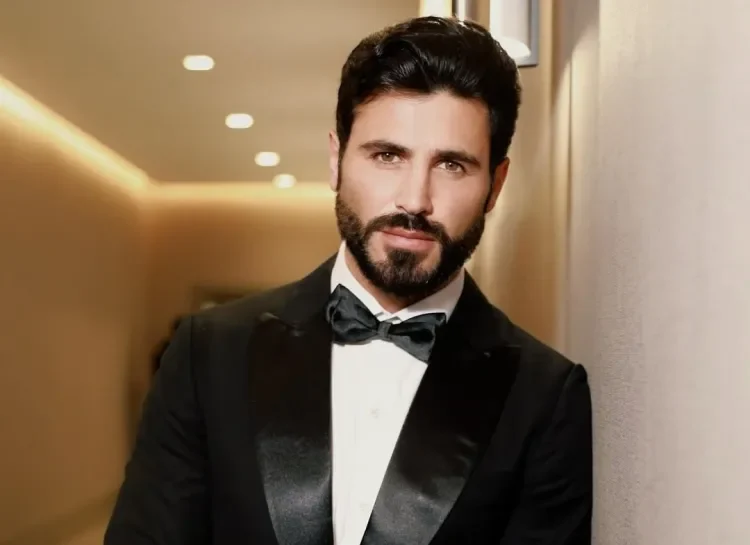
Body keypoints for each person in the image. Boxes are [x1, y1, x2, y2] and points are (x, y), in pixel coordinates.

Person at [104, 15, 592, 545]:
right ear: (337, 161)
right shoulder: (208, 353)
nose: (415, 200)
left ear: (495, 185)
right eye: (387, 156)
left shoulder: (545, 395)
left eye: (452, 165)